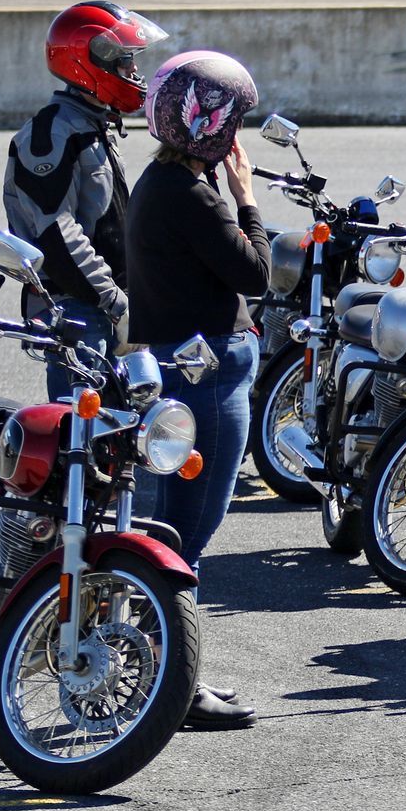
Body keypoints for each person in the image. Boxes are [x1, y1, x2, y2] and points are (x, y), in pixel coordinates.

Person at [127, 50, 269, 730]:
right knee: (186, 537)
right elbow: (256, 274)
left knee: (183, 531)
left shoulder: (161, 182)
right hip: (205, 379)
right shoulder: (191, 197)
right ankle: (168, 682)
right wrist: (248, 201)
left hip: (194, 367)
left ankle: (163, 673)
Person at [4, 1, 167, 400]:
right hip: (80, 312)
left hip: (110, 306)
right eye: (125, 62)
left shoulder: (94, 125)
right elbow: (57, 236)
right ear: (90, 60)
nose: (134, 73)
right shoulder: (51, 133)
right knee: (81, 439)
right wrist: (116, 303)